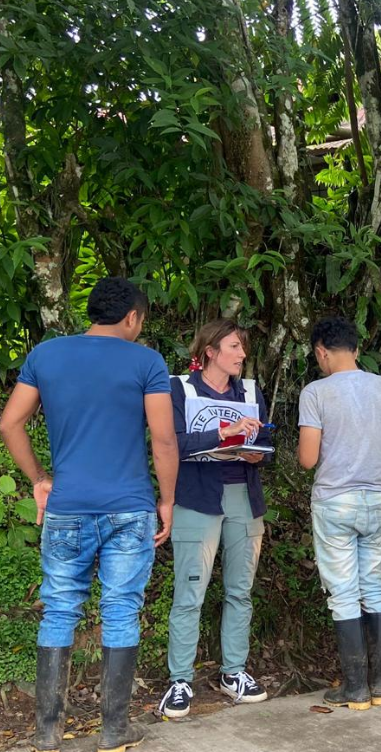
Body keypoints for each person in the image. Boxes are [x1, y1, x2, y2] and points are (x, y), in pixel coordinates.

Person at [0, 277, 177, 752]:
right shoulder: (147, 361)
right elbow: (162, 440)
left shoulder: (47, 355)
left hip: (67, 507)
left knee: (59, 609)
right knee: (121, 610)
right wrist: (167, 500)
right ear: (132, 317)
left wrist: (38, 476)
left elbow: (9, 422)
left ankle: (46, 732)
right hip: (129, 508)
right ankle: (115, 731)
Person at [157, 320, 272, 719]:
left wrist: (257, 450)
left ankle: (234, 673)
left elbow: (266, 443)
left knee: (240, 590)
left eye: (243, 348)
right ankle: (180, 680)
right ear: (210, 351)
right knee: (190, 592)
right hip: (196, 496)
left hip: (243, 493)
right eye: (235, 347)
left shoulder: (252, 391)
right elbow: (171, 441)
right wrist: (223, 433)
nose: (242, 355)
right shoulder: (180, 388)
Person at [298, 316, 381, 710]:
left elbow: (308, 459)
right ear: (357, 350)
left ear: (321, 352)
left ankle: (355, 689)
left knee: (343, 594)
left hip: (335, 502)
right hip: (375, 501)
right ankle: (378, 688)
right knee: (373, 586)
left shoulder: (316, 392)